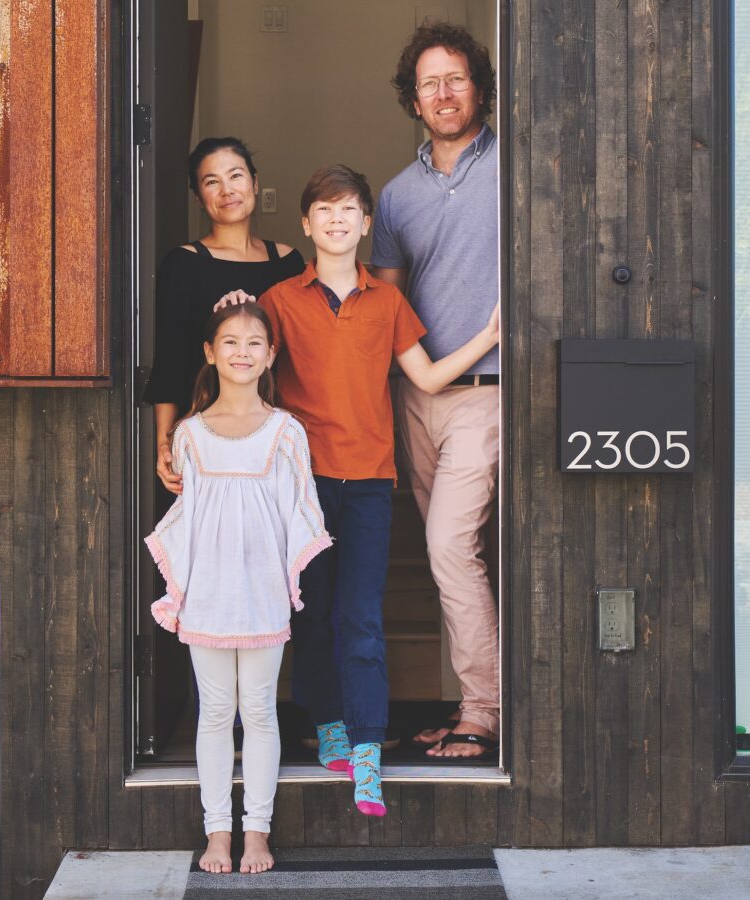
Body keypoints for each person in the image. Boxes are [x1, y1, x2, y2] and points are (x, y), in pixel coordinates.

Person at [251, 164, 499, 817]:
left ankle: (366, 754)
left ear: (366, 224)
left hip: (367, 482)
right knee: (312, 614)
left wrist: (491, 336)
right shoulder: (279, 301)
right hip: (300, 483)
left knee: (361, 618)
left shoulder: (387, 302)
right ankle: (328, 724)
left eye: (349, 211)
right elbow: (250, 373)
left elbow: (431, 376)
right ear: (306, 224)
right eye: (323, 211)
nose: (336, 221)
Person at [145, 303, 331, 874]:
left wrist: (285, 577)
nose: (242, 352)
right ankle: (217, 833)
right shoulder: (190, 434)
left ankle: (257, 832)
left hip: (261, 592)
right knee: (214, 712)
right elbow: (189, 517)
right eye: (229, 342)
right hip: (209, 591)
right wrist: (183, 585)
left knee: (260, 712)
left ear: (270, 354)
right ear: (210, 352)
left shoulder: (285, 431)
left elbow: (300, 509)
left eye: (255, 343)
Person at [371, 22, 502, 759]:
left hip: (489, 389)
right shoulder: (395, 198)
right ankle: (470, 704)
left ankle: (482, 710)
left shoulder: (514, 167)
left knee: (451, 547)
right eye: (430, 83)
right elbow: (386, 311)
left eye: (456, 78)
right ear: (413, 99)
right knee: (450, 552)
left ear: (478, 86)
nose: (444, 93)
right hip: (418, 397)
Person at [143, 137, 305, 495]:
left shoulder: (288, 262)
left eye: (236, 176)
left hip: (272, 438)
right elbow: (169, 361)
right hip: (204, 439)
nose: (227, 190)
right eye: (211, 181)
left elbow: (299, 355)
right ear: (199, 197)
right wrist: (164, 443)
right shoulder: (183, 263)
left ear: (255, 182)